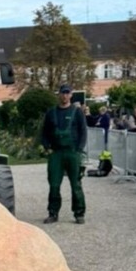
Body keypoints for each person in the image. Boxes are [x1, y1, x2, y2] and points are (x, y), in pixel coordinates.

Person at [39, 85, 87, 225]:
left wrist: (79, 149)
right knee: (54, 184)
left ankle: (79, 213)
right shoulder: (51, 113)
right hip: (56, 153)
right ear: (58, 94)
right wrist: (47, 147)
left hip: (72, 152)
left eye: (67, 93)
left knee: (76, 184)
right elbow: (45, 132)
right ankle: (53, 213)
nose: (65, 96)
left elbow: (83, 132)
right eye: (62, 93)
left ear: (71, 95)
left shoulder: (77, 112)